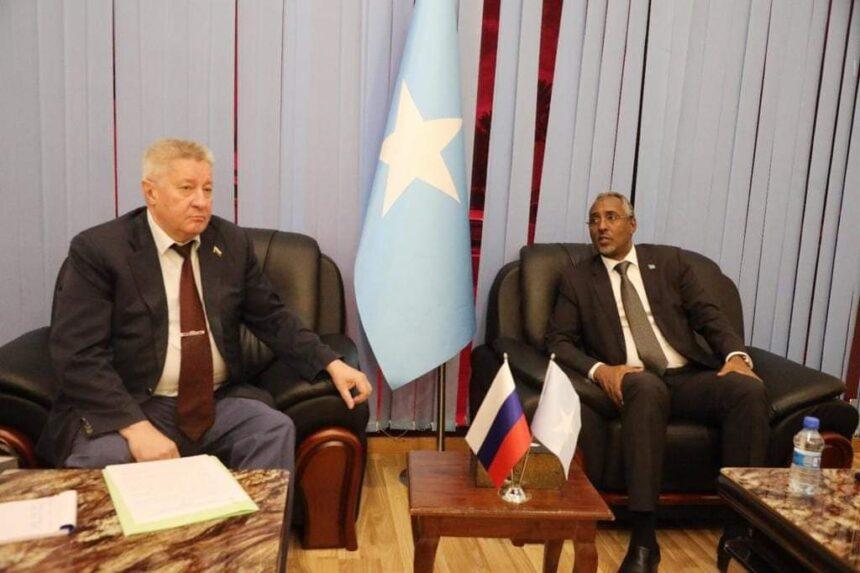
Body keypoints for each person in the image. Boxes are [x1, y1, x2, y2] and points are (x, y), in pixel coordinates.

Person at [36, 139, 371, 498]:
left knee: (273, 430)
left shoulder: (230, 242)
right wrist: (137, 428)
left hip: (216, 402)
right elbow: (79, 354)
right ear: (151, 192)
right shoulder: (100, 251)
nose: (201, 201)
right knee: (103, 457)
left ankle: (254, 536)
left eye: (207, 189)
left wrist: (331, 363)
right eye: (187, 188)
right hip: (135, 402)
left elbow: (272, 317)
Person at [545, 192, 768, 573]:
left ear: (632, 224)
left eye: (611, 217)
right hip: (633, 378)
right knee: (646, 388)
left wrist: (735, 356)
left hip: (686, 376)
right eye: (594, 219)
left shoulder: (669, 263)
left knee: (748, 390)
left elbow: (709, 317)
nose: (601, 226)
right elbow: (558, 342)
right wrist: (601, 370)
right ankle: (644, 541)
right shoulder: (577, 279)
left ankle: (738, 532)